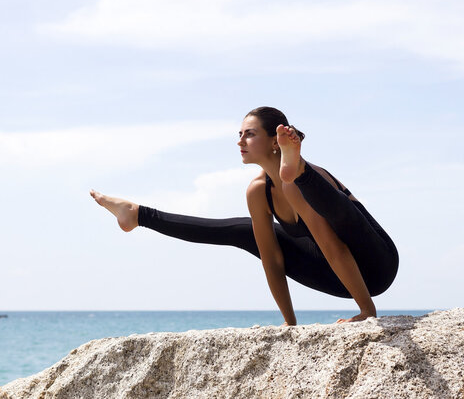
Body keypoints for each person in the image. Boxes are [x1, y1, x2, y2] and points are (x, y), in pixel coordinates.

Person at [90, 107, 398, 326]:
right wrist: (289, 325)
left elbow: (336, 246)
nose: (240, 141)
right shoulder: (257, 192)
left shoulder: (295, 188)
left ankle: (300, 169)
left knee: (324, 205)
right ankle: (139, 215)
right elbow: (272, 261)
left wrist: (367, 312)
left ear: (275, 141)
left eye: (249, 135)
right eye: (240, 134)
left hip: (377, 264)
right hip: (341, 278)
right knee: (243, 231)